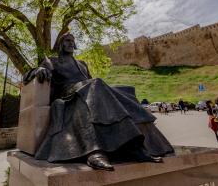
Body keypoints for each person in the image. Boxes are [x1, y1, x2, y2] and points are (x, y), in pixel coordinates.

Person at [23, 33, 174, 171]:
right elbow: (29, 74)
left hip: (88, 89)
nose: (70, 43)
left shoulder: (82, 64)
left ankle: (136, 147)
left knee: (126, 90)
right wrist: (37, 71)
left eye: (72, 41)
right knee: (95, 85)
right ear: (61, 44)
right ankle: (94, 152)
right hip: (68, 93)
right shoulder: (53, 61)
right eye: (67, 41)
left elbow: (91, 81)